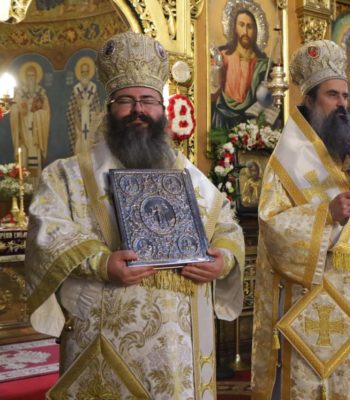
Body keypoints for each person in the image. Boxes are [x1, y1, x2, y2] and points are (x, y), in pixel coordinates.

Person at [24, 31, 245, 398]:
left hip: (184, 342)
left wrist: (222, 260)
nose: (138, 110)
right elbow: (46, 231)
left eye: (148, 100)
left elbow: (227, 226)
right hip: (104, 339)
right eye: (126, 100)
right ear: (109, 108)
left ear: (161, 110)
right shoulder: (66, 175)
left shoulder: (190, 176)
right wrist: (100, 263)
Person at [251, 39, 350, 400]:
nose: (342, 104)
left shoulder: (346, 156)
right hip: (310, 304)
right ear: (310, 99)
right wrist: (326, 214)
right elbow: (272, 227)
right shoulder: (285, 162)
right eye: (332, 95)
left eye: (345, 96)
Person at [211, 7, 269, 130]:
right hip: (223, 118)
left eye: (250, 26)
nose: (245, 31)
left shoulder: (263, 65)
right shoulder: (222, 57)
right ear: (234, 28)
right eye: (241, 25)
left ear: (255, 31)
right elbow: (212, 89)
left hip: (251, 124)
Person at [9, 62, 50, 174]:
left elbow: (46, 112)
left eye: (33, 76)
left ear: (36, 77)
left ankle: (36, 182)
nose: (30, 78)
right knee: (24, 158)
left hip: (36, 133)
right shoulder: (20, 92)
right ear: (25, 78)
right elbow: (13, 109)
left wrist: (38, 115)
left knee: (35, 155)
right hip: (23, 131)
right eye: (28, 76)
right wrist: (21, 110)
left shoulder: (41, 92)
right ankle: (23, 182)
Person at [66, 56, 103, 155]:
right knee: (80, 149)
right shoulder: (76, 89)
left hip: (91, 127)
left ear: (90, 73)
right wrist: (76, 120)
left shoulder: (93, 88)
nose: (85, 74)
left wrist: (95, 120)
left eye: (87, 72)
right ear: (80, 74)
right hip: (79, 127)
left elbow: (97, 108)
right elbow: (70, 111)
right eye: (83, 72)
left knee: (91, 149)